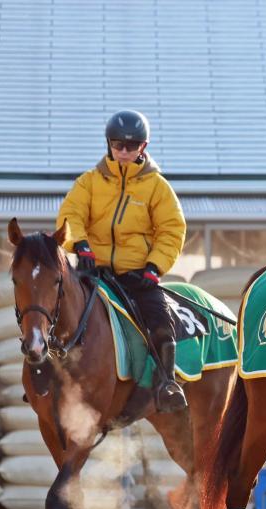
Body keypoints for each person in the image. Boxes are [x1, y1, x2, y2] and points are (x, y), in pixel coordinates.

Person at [57, 110, 188, 413]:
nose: (124, 152)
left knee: (161, 322)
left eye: (132, 146)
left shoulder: (157, 187)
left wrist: (154, 266)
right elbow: (70, 215)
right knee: (54, 312)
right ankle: (45, 376)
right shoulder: (89, 182)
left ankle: (167, 383)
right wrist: (81, 245)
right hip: (93, 270)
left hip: (138, 275)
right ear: (109, 145)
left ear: (144, 147)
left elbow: (172, 229)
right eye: (118, 145)